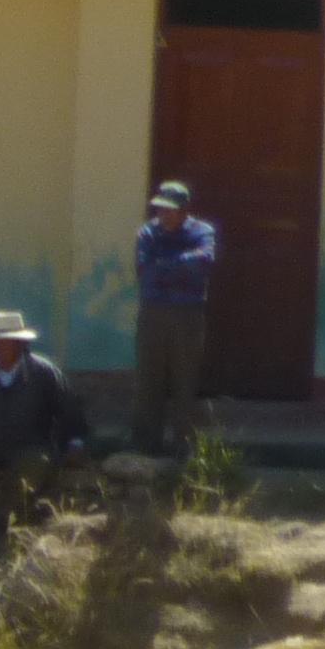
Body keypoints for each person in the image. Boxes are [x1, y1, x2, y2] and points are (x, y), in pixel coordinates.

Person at [0, 310, 86, 541]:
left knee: (38, 462)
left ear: (20, 345)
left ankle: (3, 521)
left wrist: (75, 442)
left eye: (3, 343)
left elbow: (69, 409)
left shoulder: (44, 373)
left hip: (27, 450)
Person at [129, 181, 216, 456]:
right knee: (149, 379)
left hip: (188, 314)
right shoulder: (147, 232)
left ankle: (183, 448)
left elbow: (203, 262)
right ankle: (145, 446)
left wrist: (165, 265)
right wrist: (180, 266)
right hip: (153, 311)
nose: (164, 215)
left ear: (184, 210)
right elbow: (145, 268)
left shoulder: (202, 232)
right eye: (160, 209)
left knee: (185, 380)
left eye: (170, 210)